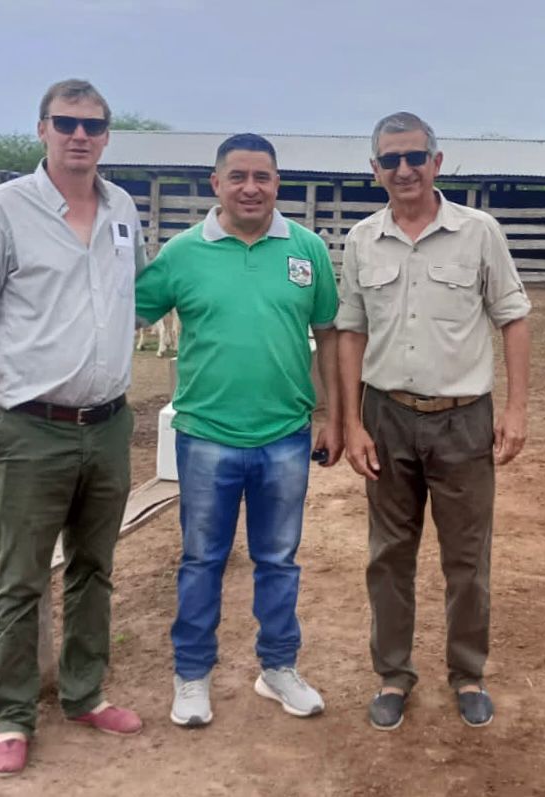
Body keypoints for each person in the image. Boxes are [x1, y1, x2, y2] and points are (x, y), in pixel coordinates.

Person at [0, 79, 144, 778]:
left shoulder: (123, 209)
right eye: (66, 123)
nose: (79, 135)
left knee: (94, 567)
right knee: (22, 577)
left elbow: (128, 302)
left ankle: (85, 691)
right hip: (32, 428)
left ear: (107, 135)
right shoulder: (2, 211)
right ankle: (13, 712)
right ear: (41, 129)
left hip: (109, 423)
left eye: (92, 124)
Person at [135, 133, 341, 728]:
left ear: (278, 183)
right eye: (238, 176)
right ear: (216, 184)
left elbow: (328, 333)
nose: (251, 188)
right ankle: (192, 675)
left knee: (279, 558)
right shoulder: (181, 254)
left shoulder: (307, 251)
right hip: (206, 437)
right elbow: (126, 312)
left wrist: (329, 413)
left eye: (264, 177)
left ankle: (277, 668)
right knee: (202, 559)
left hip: (285, 435)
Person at [336, 112, 531, 731]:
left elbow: (513, 317)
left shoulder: (479, 232)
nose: (404, 169)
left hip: (463, 418)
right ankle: (393, 675)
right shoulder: (362, 240)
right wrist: (351, 424)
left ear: (437, 162)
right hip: (386, 417)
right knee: (388, 554)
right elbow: (349, 331)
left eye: (415, 156)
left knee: (466, 556)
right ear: (374, 171)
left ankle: (467, 671)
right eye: (390, 160)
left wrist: (518, 409)